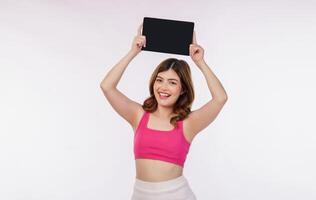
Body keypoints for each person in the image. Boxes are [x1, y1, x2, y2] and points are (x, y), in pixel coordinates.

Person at [100, 23, 228, 200]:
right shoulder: (138, 115)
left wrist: (200, 62)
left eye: (172, 82)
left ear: (183, 89)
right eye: (160, 80)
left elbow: (220, 98)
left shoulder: (189, 123)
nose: (163, 87)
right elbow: (107, 86)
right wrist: (132, 52)